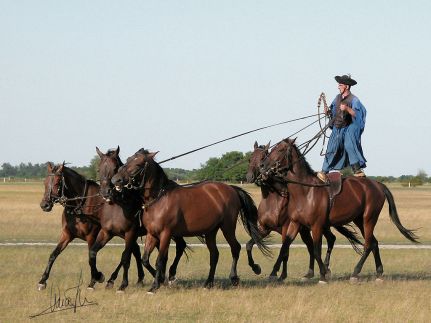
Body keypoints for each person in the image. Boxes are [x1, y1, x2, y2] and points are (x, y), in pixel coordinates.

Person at [317, 74, 367, 182]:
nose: (338, 87)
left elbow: (359, 114)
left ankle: (357, 169)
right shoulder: (337, 98)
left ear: (347, 87)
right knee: (331, 148)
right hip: (337, 128)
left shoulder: (354, 100)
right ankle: (324, 171)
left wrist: (347, 109)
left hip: (348, 128)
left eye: (340, 85)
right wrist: (327, 111)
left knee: (349, 144)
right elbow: (333, 112)